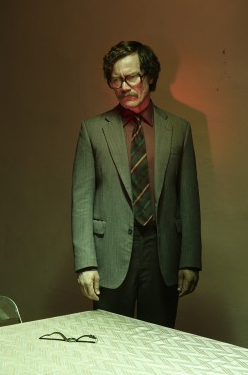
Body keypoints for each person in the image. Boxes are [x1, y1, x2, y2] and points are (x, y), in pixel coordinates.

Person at [71, 41, 202, 328]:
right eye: (116, 80)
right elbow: (81, 200)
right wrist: (86, 263)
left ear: (150, 76)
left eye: (131, 77)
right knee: (109, 339)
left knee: (158, 341)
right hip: (110, 252)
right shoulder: (93, 130)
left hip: (162, 252)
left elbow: (188, 199)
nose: (123, 87)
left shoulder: (179, 129)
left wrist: (190, 260)